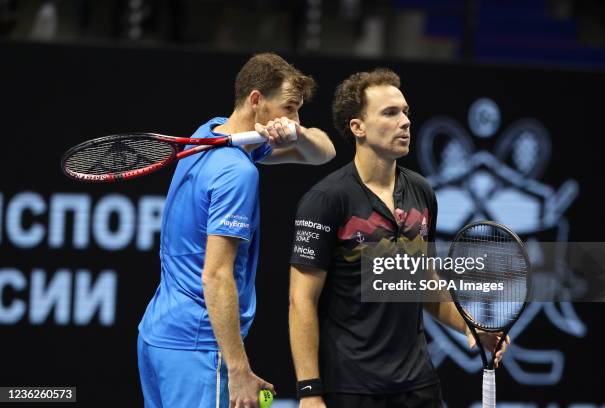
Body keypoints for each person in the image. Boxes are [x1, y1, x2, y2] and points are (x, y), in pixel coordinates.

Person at [288, 68, 508, 407]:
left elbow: (423, 283)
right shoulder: (327, 199)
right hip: (351, 386)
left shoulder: (421, 191)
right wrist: (309, 391)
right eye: (390, 113)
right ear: (357, 127)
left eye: (405, 112)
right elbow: (301, 301)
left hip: (417, 384)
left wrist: (469, 328)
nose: (405, 121)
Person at [138, 52, 336, 408]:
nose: (294, 118)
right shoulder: (237, 173)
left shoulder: (209, 133)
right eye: (289, 108)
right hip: (199, 348)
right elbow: (215, 275)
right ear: (256, 100)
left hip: (158, 337)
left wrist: (296, 133)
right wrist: (238, 368)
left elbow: (323, 152)